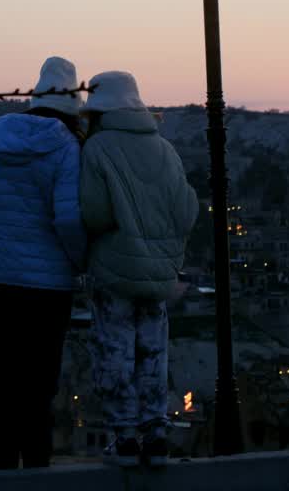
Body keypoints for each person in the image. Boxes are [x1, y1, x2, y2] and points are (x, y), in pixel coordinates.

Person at [0, 56, 87, 470]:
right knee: (39, 392)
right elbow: (67, 218)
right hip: (48, 289)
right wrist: (78, 264)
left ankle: (0, 478)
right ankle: (37, 475)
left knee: (1, 390)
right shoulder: (66, 144)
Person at [78, 70, 198, 467]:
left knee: (116, 351)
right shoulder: (165, 149)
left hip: (114, 270)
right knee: (153, 351)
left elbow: (94, 215)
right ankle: (156, 433)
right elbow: (186, 212)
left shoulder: (97, 148)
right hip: (159, 273)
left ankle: (125, 437)